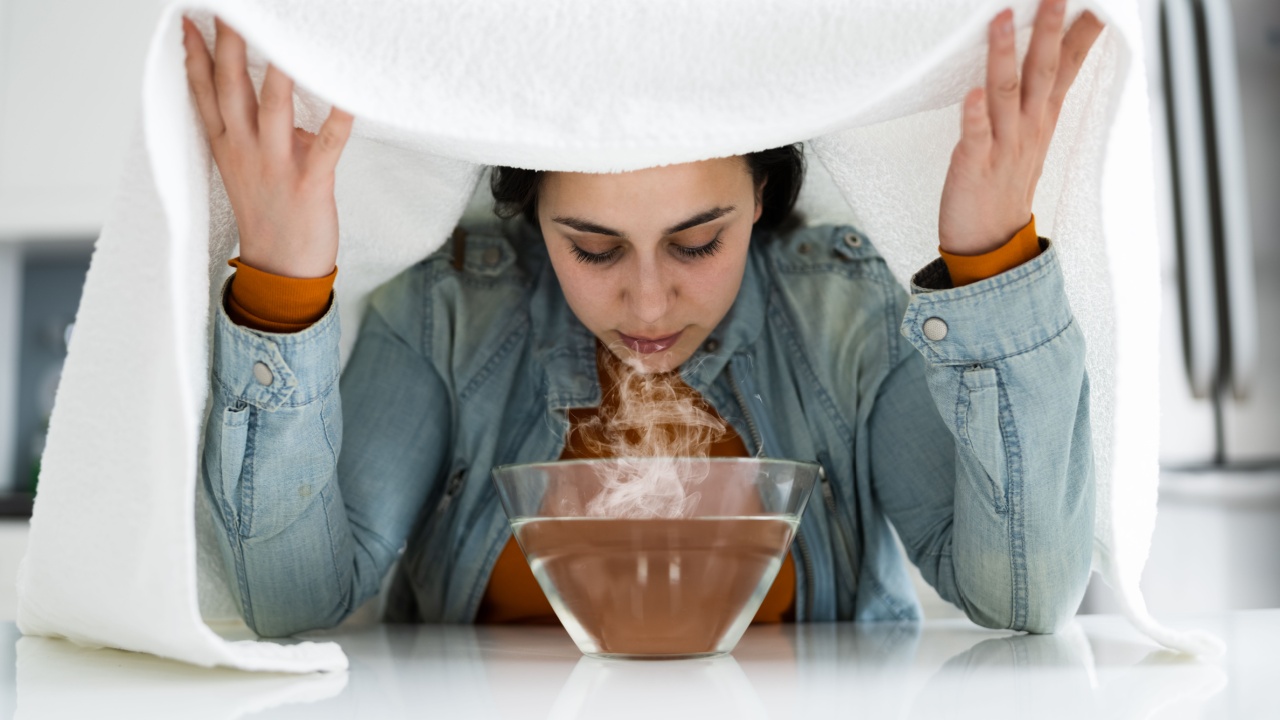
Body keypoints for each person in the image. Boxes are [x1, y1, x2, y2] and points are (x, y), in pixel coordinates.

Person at [185, 0, 1105, 638]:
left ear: (761, 200)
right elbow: (286, 601)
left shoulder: (848, 320)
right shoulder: (445, 318)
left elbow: (1025, 596)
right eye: (592, 249)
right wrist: (283, 281)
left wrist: (992, 259)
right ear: (530, 218)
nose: (650, 304)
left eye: (698, 243)